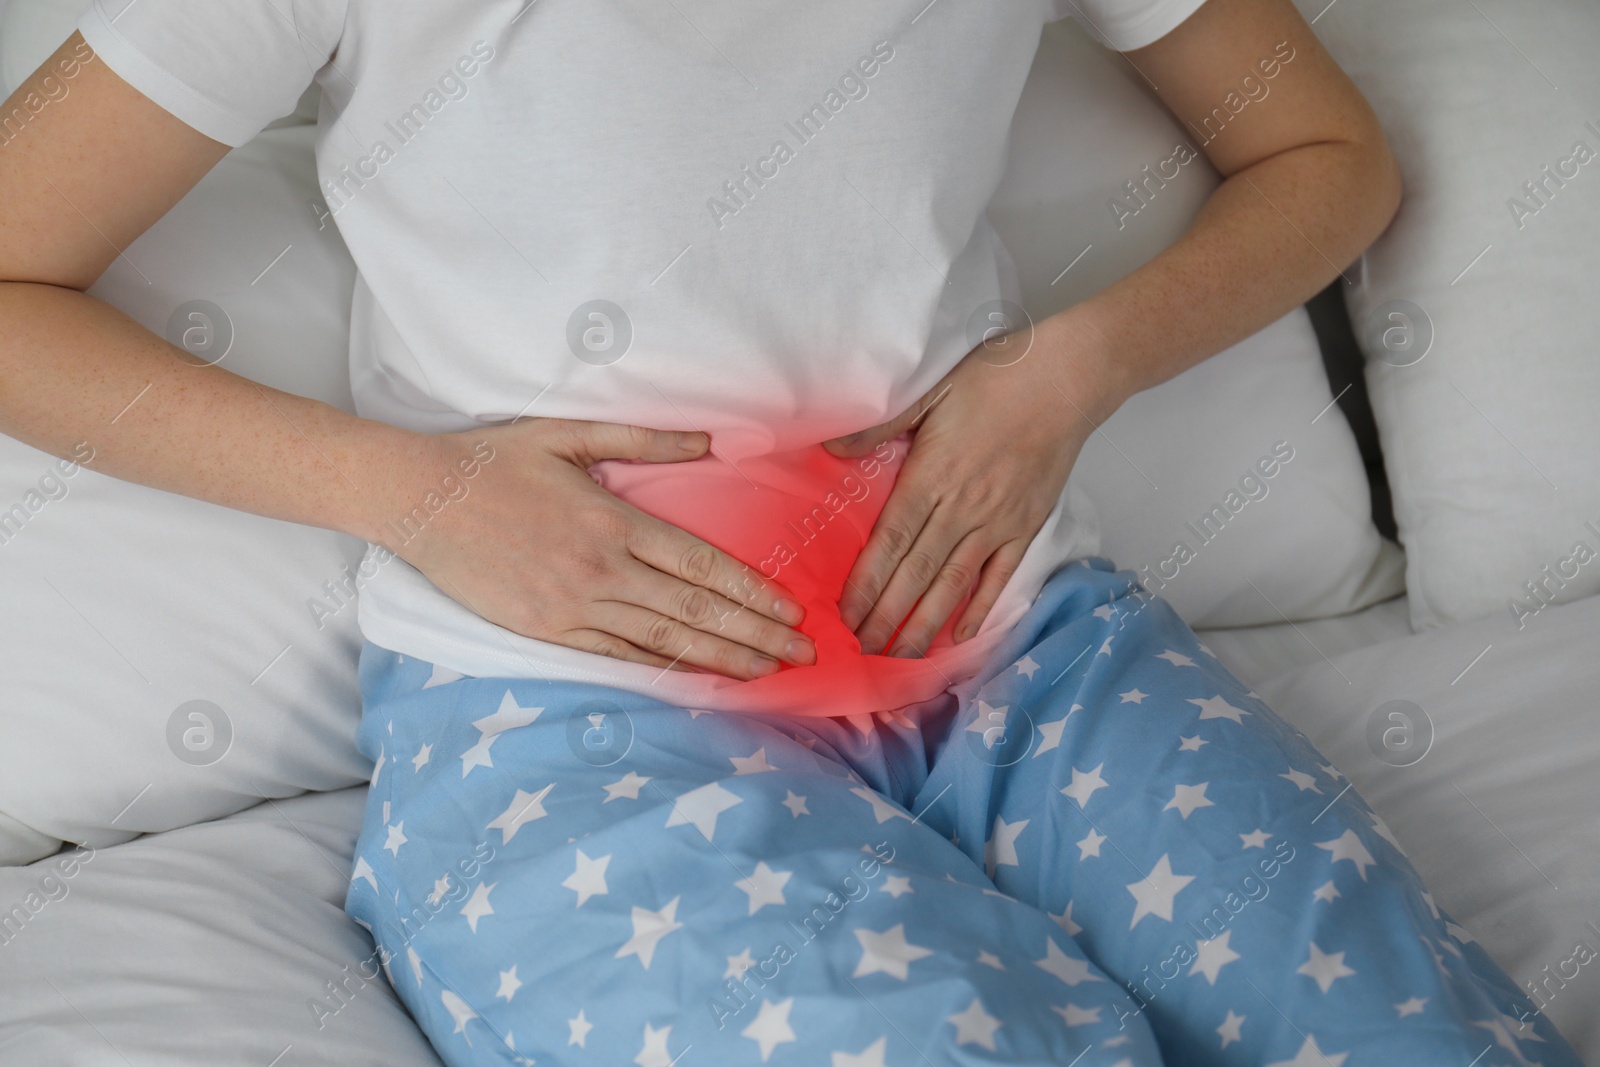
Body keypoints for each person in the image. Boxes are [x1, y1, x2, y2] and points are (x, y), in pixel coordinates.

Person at [0, 0, 1580, 1063]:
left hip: (1029, 654)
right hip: (573, 712)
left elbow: (1329, 155)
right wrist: (414, 490)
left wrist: (1073, 365)